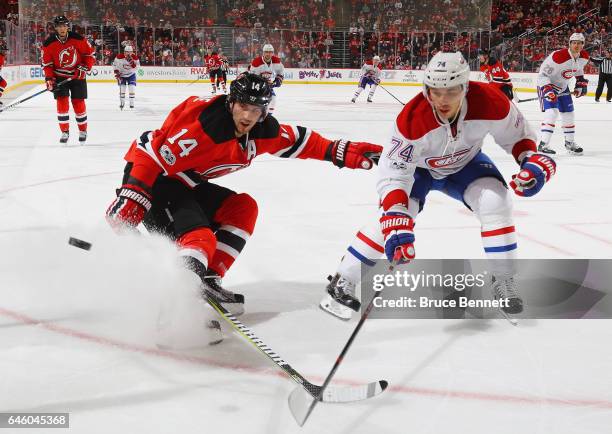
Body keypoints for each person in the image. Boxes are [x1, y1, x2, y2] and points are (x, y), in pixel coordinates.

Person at [105, 73, 382, 314]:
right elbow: (148, 150)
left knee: (242, 208)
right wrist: (132, 196)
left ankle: (207, 281)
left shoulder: (261, 130)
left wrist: (342, 152)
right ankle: (176, 312)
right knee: (199, 239)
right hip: (155, 184)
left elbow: (300, 140)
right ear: (231, 103)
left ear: (265, 111)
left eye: (256, 109)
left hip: (185, 184)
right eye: (243, 106)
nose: (248, 116)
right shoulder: (203, 128)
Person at [321, 52, 556, 321]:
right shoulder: (411, 119)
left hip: (465, 163)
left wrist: (530, 162)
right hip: (419, 171)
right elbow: (394, 173)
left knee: (497, 201)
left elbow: (518, 136)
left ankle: (503, 279)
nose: (442, 100)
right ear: (426, 89)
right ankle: (344, 278)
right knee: (393, 218)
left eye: (451, 91)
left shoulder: (491, 101)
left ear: (465, 87)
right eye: (435, 91)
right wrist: (396, 214)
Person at [41, 15, 95, 144]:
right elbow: (47, 65)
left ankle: (83, 130)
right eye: (59, 26)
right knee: (62, 103)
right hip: (59, 77)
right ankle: (64, 131)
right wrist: (49, 79)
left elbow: (90, 55)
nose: (62, 28)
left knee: (78, 103)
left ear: (67, 26)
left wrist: (85, 67)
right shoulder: (48, 43)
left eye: (64, 25)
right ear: (55, 28)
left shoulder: (78, 39)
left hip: (78, 76)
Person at [536, 32, 589, 155]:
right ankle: (543, 145)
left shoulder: (584, 57)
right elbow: (542, 74)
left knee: (569, 114)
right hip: (547, 85)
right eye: (574, 43)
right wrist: (548, 89)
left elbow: (578, 68)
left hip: (563, 87)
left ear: (583, 45)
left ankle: (569, 143)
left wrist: (580, 82)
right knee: (552, 113)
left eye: (579, 43)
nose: (576, 45)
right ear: (569, 44)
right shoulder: (559, 57)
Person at [249, 44, 284, 114]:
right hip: (256, 84)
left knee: (273, 98)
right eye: (266, 52)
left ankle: (269, 117)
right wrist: (261, 83)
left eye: (270, 52)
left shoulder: (277, 61)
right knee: (255, 101)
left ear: (273, 53)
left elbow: (280, 73)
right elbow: (252, 78)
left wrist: (275, 83)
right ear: (263, 52)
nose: (268, 54)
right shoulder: (256, 62)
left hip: (267, 84)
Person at [112, 45, 139, 110]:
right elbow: (115, 65)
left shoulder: (135, 58)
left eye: (130, 52)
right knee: (122, 88)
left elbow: (137, 67)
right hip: (122, 75)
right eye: (127, 52)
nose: (128, 53)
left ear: (132, 52)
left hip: (131, 74)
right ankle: (122, 103)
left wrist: (132, 64)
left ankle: (132, 104)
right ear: (124, 52)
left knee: (131, 88)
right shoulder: (119, 57)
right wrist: (117, 72)